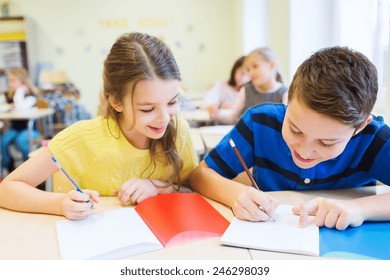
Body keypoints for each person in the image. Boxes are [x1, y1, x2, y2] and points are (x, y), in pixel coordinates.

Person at [0, 32, 198, 220]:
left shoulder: (178, 129)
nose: (164, 118)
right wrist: (59, 203)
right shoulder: (83, 136)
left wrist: (159, 188)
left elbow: (192, 188)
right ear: (116, 102)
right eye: (147, 109)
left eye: (172, 102)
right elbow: (7, 189)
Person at [189, 46, 390, 231]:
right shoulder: (260, 122)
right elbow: (200, 175)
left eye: (326, 142)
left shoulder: (373, 138)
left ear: (361, 126)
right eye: (295, 130)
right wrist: (235, 195)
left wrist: (359, 208)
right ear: (288, 99)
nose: (304, 151)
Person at [222, 47, 288, 125]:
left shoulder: (285, 93)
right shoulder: (245, 91)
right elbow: (232, 117)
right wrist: (216, 115)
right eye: (248, 69)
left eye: (255, 66)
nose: (251, 73)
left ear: (271, 65)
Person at [1, 68, 41, 173]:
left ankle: (29, 168)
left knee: (21, 141)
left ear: (23, 82)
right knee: (3, 141)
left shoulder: (31, 96)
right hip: (15, 128)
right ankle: (9, 167)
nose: (9, 83)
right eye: (9, 80)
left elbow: (20, 108)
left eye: (13, 81)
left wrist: (19, 91)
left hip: (30, 129)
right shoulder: (9, 95)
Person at [201, 56, 250, 124]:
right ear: (235, 70)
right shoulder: (222, 85)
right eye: (241, 73)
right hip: (221, 124)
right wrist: (213, 106)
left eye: (247, 75)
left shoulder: (250, 90)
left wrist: (231, 106)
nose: (243, 78)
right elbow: (208, 100)